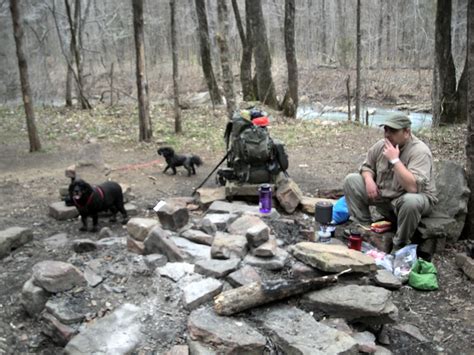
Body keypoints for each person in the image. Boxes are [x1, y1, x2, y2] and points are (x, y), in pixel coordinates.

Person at [343, 114, 437, 253]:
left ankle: (400, 245)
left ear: (407, 132)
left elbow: (413, 187)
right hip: (386, 197)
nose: (387, 134)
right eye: (386, 130)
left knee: (411, 201)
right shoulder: (381, 146)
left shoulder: (419, 151)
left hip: (411, 200)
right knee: (351, 180)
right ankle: (364, 228)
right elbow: (366, 166)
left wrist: (395, 160)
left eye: (393, 131)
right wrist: (369, 180)